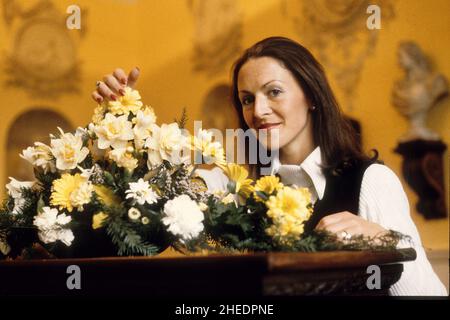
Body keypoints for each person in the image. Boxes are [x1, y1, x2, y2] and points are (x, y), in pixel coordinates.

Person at [91, 36, 446, 296]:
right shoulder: (239, 188)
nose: (257, 111)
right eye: (247, 99)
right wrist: (123, 120)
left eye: (273, 92)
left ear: (311, 96)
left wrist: (386, 242)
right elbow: (152, 207)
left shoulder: (371, 181)